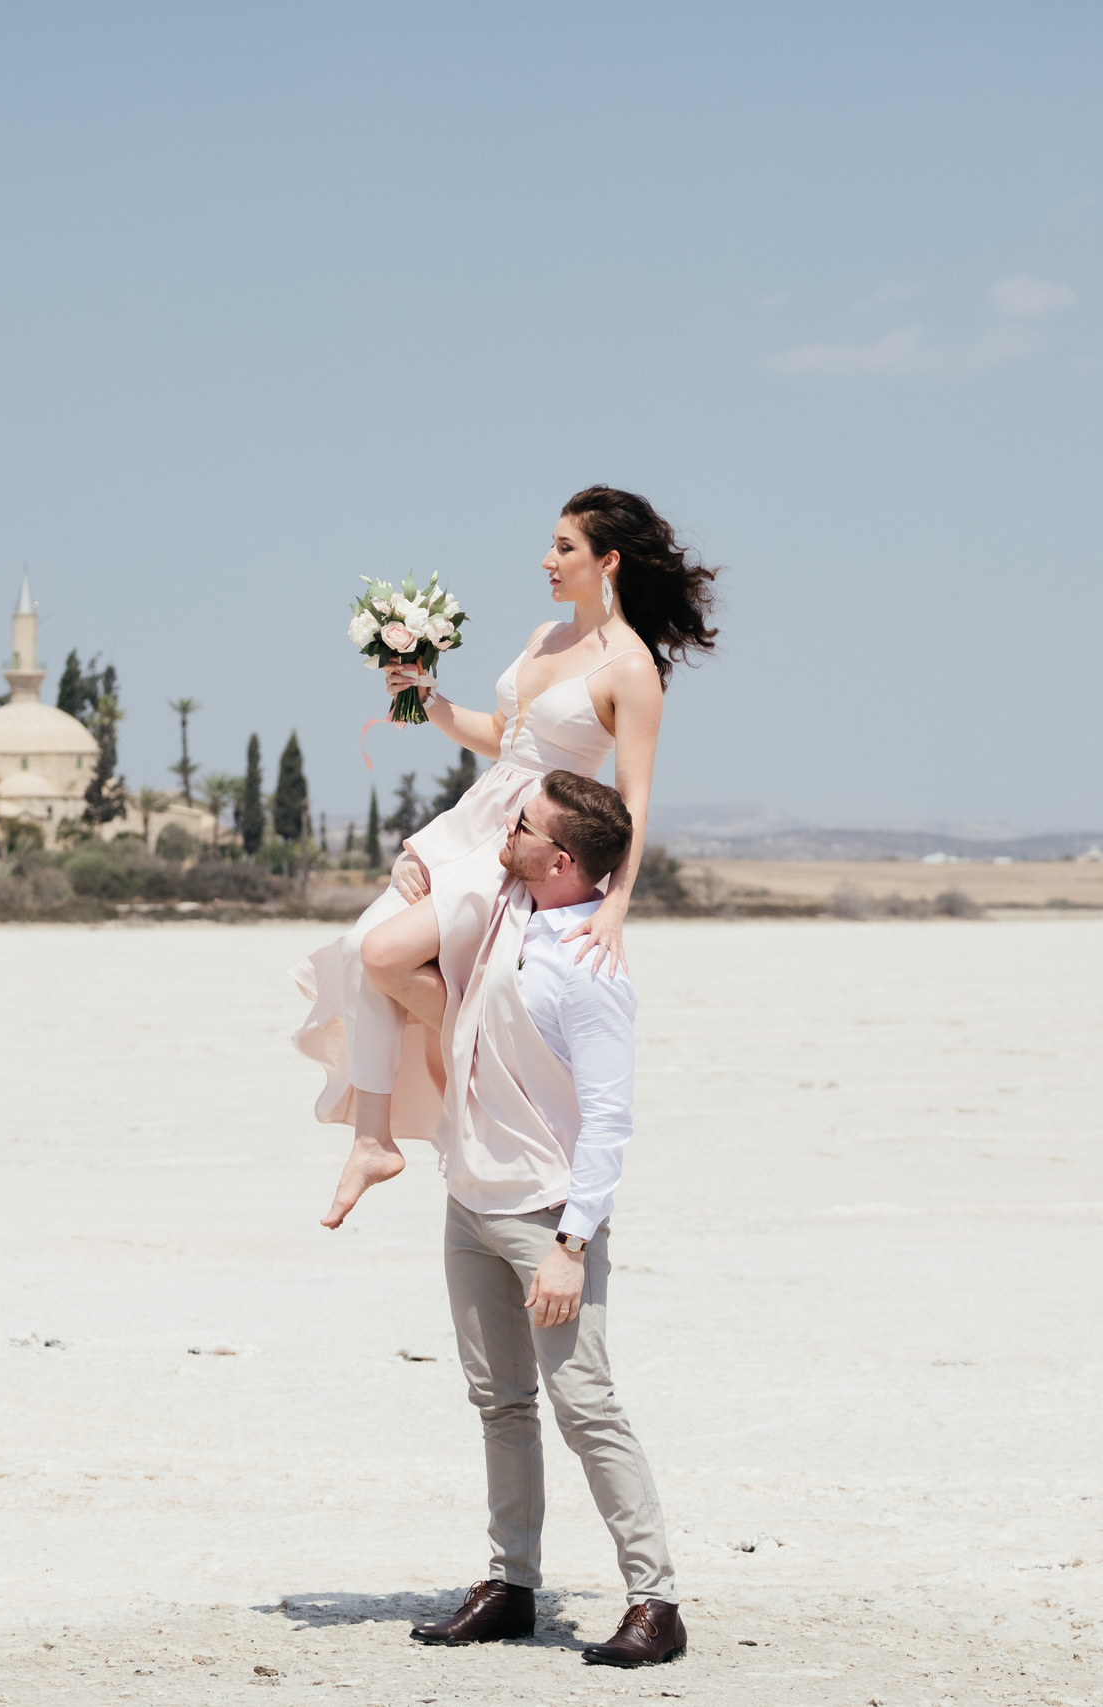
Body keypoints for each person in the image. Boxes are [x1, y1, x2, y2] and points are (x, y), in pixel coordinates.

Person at [292, 486, 720, 1229]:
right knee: (360, 950)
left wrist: (617, 904)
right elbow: (503, 736)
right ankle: (373, 1139)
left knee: (381, 953)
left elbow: (634, 799)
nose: (547, 559)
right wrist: (427, 698)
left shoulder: (632, 669)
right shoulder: (543, 636)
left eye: (565, 547)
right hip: (473, 818)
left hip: (524, 844)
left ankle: (476, 1051)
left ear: (609, 561)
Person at [396, 769, 687, 1668]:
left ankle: (656, 1600)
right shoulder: (506, 909)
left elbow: (609, 1120)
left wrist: (571, 1245)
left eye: (523, 825)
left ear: (560, 860)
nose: (507, 830)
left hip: (547, 1216)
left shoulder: (591, 968)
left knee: (584, 1404)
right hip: (470, 1200)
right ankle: (511, 1584)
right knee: (499, 1402)